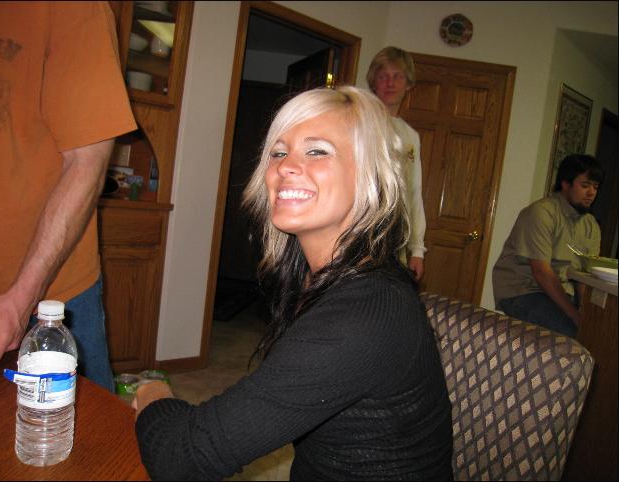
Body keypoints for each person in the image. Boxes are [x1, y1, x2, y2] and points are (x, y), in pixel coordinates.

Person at [132, 86, 453, 481]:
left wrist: (152, 391)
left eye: (317, 151)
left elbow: (181, 457)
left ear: (370, 175)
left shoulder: (362, 314)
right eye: (278, 152)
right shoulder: (324, 278)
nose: (286, 166)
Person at [0, 1, 137, 392]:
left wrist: (23, 298)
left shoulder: (74, 8)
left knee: (86, 427)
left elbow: (87, 163)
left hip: (48, 297)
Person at [492, 154, 604, 337]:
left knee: (599, 335)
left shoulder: (591, 225)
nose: (591, 193)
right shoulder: (542, 213)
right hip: (525, 290)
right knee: (573, 332)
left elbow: (585, 278)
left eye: (595, 187)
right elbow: (541, 273)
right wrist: (576, 317)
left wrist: (586, 314)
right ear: (565, 184)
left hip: (561, 293)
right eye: (585, 185)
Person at [366, 46, 426, 281]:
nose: (390, 83)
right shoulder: (360, 123)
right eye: (383, 77)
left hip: (395, 240)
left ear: (408, 83)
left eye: (397, 76)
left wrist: (417, 249)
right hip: (362, 233)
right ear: (374, 82)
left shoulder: (411, 136)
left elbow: (414, 192)